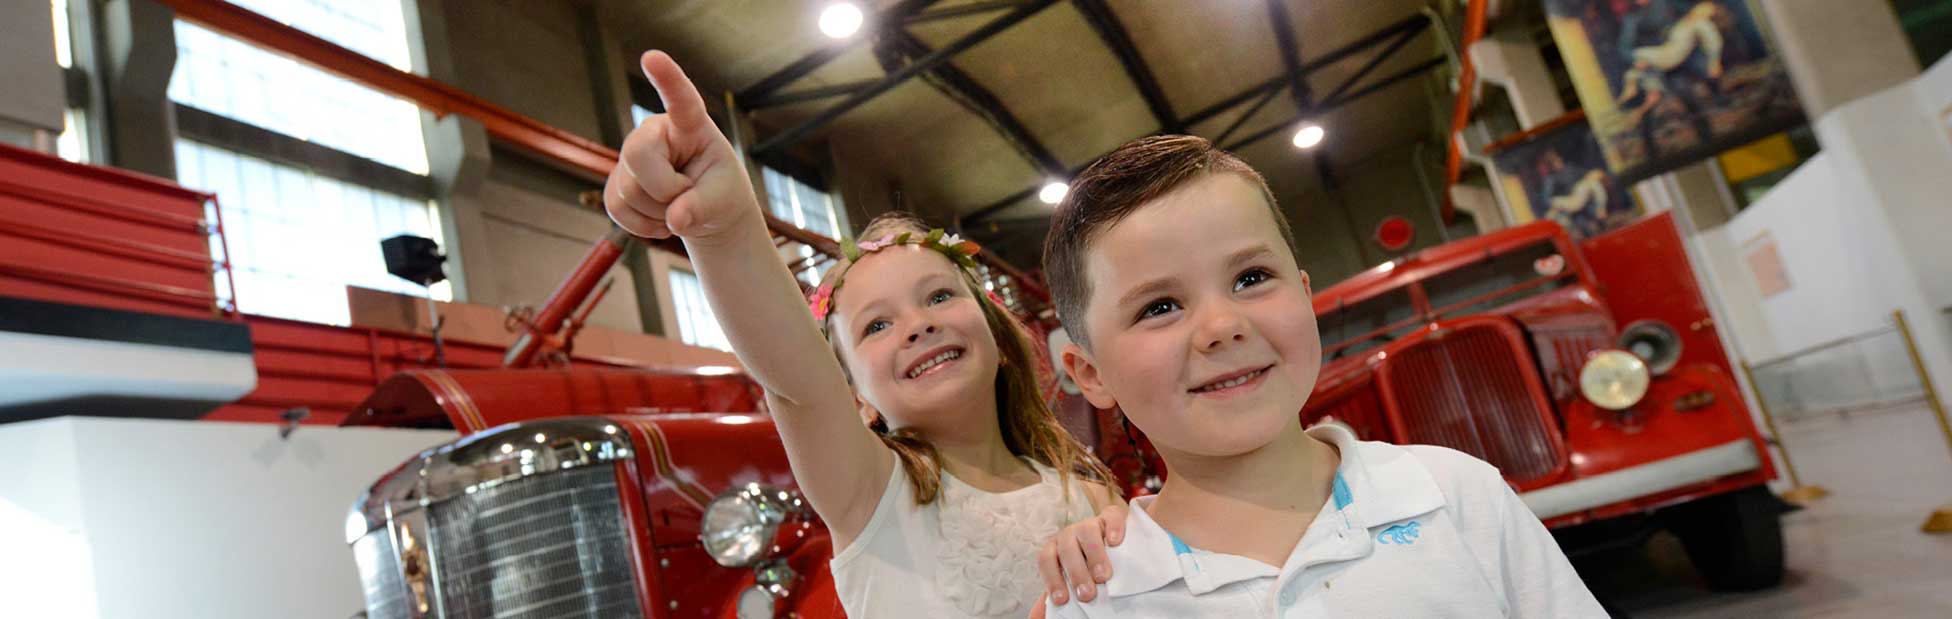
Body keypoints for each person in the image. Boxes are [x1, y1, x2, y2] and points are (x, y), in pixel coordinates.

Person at [603, 51, 1118, 619]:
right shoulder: (873, 494)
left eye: (940, 296)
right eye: (877, 325)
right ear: (853, 394)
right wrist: (726, 229)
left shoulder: (1089, 496)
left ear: (998, 340)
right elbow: (795, 377)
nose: (918, 324)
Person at [1033, 135, 1607, 617]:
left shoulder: (1453, 495)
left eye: (1251, 277)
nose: (1222, 325)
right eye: (1159, 307)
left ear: (1306, 297)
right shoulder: (1094, 597)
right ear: (1091, 374)